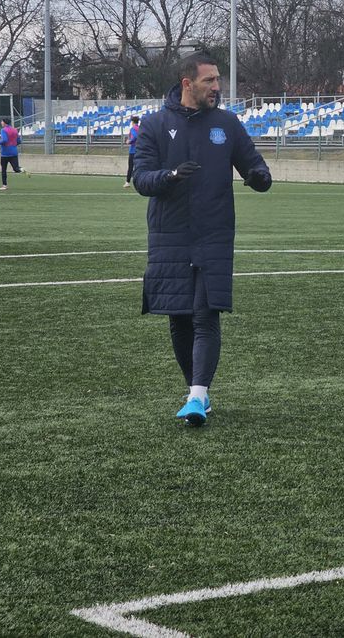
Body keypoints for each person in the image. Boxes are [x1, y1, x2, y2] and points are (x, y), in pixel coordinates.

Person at [133, 52, 272, 425]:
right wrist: (171, 175)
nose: (217, 87)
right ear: (187, 84)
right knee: (178, 318)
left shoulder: (227, 123)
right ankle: (198, 392)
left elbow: (253, 163)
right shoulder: (154, 125)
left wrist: (259, 177)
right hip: (170, 233)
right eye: (210, 80)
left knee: (205, 313)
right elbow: (141, 179)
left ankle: (197, 395)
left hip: (214, 232)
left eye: (218, 80)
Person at [0, 118, 25, 190]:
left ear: (4, 123)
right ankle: (21, 169)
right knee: (16, 168)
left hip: (5, 152)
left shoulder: (3, 130)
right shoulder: (15, 130)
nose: (1, 122)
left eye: (2, 121)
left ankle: (4, 185)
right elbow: (19, 141)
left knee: (3, 169)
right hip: (14, 151)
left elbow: (4, 140)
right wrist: (13, 145)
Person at [123, 115, 140, 187]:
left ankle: (127, 182)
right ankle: (139, 182)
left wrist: (129, 141)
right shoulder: (140, 128)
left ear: (132, 122)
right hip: (139, 150)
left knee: (130, 166)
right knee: (138, 167)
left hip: (133, 150)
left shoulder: (133, 128)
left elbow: (135, 137)